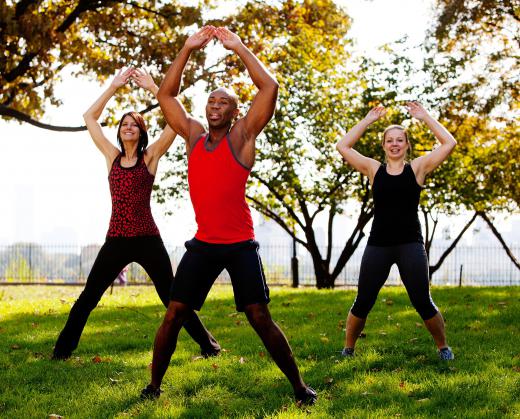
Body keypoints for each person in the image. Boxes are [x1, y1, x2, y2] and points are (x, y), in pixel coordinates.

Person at [140, 26, 317, 405]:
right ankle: (153, 388)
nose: (214, 106)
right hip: (203, 245)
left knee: (258, 316)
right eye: (211, 102)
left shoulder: (241, 137)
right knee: (174, 314)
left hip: (239, 245)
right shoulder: (192, 136)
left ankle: (300, 388)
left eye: (223, 103)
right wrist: (187, 47)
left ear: (235, 112)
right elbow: (166, 94)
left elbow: (269, 89)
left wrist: (239, 47)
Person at [52, 68, 220, 360]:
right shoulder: (111, 156)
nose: (128, 127)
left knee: (173, 300)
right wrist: (113, 86)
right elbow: (89, 118)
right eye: (124, 124)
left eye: (134, 124)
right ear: (119, 131)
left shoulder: (150, 156)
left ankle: (209, 346)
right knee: (88, 297)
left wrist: (155, 88)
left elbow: (176, 121)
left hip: (147, 239)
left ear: (142, 132)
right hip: (116, 239)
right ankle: (62, 352)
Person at [335, 102, 457, 360]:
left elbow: (449, 144)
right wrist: (367, 120)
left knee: (422, 301)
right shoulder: (373, 169)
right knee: (363, 300)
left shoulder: (418, 168)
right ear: (383, 145)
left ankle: (443, 348)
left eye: (399, 140)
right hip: (378, 243)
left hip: (409, 244)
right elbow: (342, 146)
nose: (394, 144)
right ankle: (348, 349)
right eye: (389, 140)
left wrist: (425, 117)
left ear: (406, 145)